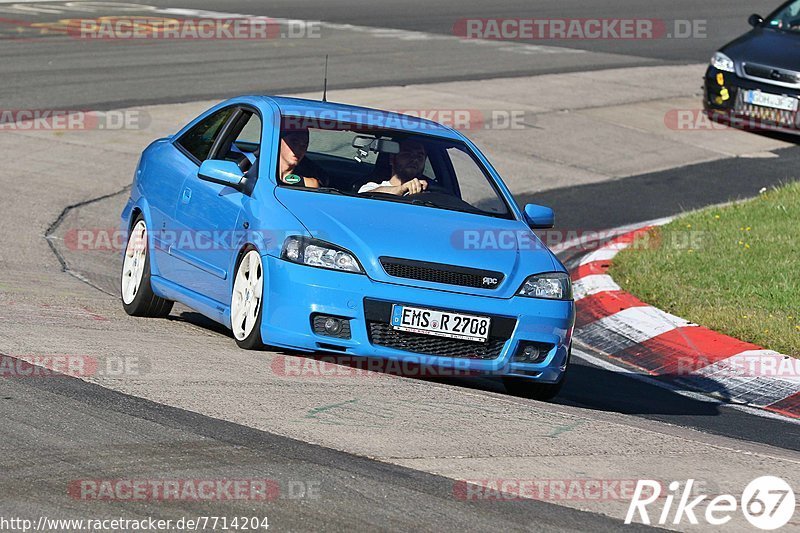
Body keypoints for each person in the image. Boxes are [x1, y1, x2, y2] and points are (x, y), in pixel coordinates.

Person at [358, 140, 428, 196]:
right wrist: (401, 189)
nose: (415, 159)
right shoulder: (371, 187)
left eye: (420, 156)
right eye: (407, 154)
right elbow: (363, 197)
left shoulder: (429, 192)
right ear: (392, 159)